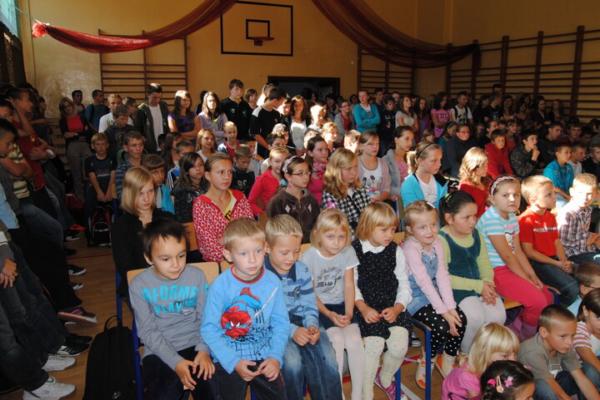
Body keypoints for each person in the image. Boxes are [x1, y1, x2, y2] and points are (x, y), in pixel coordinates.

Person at [200, 218, 290, 400]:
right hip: (230, 355)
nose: (252, 259)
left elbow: (281, 324)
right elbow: (209, 329)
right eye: (243, 253)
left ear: (265, 248)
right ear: (228, 254)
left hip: (265, 354)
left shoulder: (273, 282)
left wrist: (275, 357)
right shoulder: (220, 286)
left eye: (258, 251)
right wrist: (233, 362)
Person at [129, 219, 215, 399]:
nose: (176, 264)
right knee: (165, 392)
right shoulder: (139, 285)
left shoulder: (197, 276)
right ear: (149, 258)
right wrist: (176, 362)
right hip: (159, 350)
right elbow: (147, 331)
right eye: (166, 259)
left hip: (196, 345)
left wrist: (204, 349)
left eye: (181, 255)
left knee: (213, 391)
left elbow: (207, 318)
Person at [264, 215, 342, 400]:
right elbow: (266, 316)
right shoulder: (262, 276)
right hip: (275, 326)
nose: (291, 258)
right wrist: (292, 331)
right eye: (284, 253)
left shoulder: (302, 269)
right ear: (267, 247)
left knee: (328, 360)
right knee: (293, 364)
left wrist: (312, 324)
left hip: (304, 320)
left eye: (296, 251)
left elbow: (309, 302)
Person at [477, 176, 553, 340]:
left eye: (516, 195)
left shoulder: (511, 216)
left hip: (510, 267)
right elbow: (507, 256)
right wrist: (527, 279)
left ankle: (516, 326)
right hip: (495, 272)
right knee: (538, 301)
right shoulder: (491, 219)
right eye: (505, 195)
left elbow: (517, 251)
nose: (512, 199)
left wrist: (533, 276)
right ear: (492, 198)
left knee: (548, 297)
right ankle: (526, 338)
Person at [300, 209, 365, 400]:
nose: (336, 242)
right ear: (318, 235)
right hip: (319, 307)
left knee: (354, 340)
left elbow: (349, 284)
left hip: (342, 304)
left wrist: (349, 313)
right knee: (336, 340)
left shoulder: (348, 251)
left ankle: (358, 394)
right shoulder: (309, 257)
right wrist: (329, 314)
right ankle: (338, 394)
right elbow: (310, 294)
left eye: (341, 237)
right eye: (330, 237)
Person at [402, 201, 467, 387]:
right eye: (422, 227)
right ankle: (427, 359)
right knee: (440, 326)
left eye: (433, 224)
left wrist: (451, 308)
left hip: (433, 293)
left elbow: (442, 275)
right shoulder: (410, 248)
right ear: (410, 229)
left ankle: (447, 358)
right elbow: (423, 282)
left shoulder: (437, 243)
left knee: (460, 319)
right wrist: (444, 312)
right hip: (414, 297)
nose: (430, 231)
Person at [352, 203, 411, 400]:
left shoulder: (395, 251)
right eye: (384, 230)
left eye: (393, 229)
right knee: (374, 345)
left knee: (399, 347)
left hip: (391, 307)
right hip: (365, 308)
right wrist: (363, 308)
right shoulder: (355, 251)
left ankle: (385, 377)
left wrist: (398, 308)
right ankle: (366, 392)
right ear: (368, 227)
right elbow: (351, 286)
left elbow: (404, 284)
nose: (390, 234)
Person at [439, 191, 506, 353]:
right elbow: (443, 278)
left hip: (481, 286)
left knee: (498, 316)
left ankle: (488, 353)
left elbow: (484, 263)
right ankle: (468, 353)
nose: (473, 221)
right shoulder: (441, 240)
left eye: (475, 216)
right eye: (466, 217)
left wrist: (488, 284)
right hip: (456, 290)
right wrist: (479, 286)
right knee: (475, 317)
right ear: (449, 218)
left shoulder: (477, 235)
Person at [111, 167, 173, 297]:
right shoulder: (121, 226)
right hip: (138, 285)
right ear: (130, 194)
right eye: (140, 193)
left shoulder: (167, 219)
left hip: (170, 280)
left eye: (150, 191)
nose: (146, 198)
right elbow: (125, 267)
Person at [518, 305, 600, 399]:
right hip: (533, 393)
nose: (570, 342)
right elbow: (555, 390)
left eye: (572, 335)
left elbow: (580, 378)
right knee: (545, 387)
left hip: (555, 380)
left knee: (588, 369)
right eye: (563, 336)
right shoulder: (532, 353)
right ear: (544, 332)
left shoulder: (564, 345)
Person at [519, 175, 578, 307]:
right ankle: (554, 312)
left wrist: (563, 261)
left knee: (584, 276)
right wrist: (557, 264)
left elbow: (556, 242)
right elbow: (529, 252)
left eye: (554, 193)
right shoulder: (525, 220)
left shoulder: (550, 216)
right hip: (538, 263)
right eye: (548, 195)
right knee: (572, 288)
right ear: (533, 199)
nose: (554, 197)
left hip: (554, 260)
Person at [192, 153, 253, 262]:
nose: (227, 177)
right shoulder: (201, 205)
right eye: (221, 172)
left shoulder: (239, 198)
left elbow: (251, 232)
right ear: (208, 175)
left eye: (230, 172)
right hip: (217, 265)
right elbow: (209, 248)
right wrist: (237, 252)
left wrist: (223, 239)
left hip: (247, 259)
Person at [442, 323, 519, 400]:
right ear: (485, 353)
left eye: (515, 354)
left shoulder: (492, 367)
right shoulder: (469, 377)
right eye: (505, 356)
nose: (513, 360)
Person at [266, 157, 319, 243]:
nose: (306, 177)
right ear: (288, 176)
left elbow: (317, 226)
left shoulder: (311, 200)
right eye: (300, 173)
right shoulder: (277, 202)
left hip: (309, 246)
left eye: (307, 173)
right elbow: (274, 233)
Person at [322, 148, 370, 230]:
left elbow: (370, 215)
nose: (353, 172)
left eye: (355, 167)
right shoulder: (330, 195)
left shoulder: (360, 189)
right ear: (336, 170)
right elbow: (337, 226)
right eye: (348, 169)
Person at [557, 173, 600, 265]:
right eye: (580, 193)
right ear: (572, 192)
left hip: (587, 249)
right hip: (573, 255)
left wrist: (594, 237)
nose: (585, 198)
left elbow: (581, 233)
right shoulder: (568, 213)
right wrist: (589, 241)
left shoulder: (588, 209)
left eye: (589, 194)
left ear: (596, 194)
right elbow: (564, 243)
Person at [84, 133, 116, 244]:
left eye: (103, 144)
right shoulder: (89, 160)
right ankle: (90, 235)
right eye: (98, 144)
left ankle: (115, 234)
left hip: (110, 186)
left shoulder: (112, 158)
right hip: (95, 187)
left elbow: (113, 176)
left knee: (118, 206)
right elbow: (92, 177)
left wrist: (109, 191)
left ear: (107, 145)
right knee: (88, 207)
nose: (101, 147)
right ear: (93, 146)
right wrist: (99, 192)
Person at [400, 142, 447, 208]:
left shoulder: (441, 181)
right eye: (434, 160)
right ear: (420, 161)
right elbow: (413, 212)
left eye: (440, 160)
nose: (439, 164)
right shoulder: (408, 185)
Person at [248, 146, 288, 217]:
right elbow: (250, 202)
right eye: (277, 161)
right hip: (268, 217)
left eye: (284, 162)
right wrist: (262, 215)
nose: (281, 165)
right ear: (270, 162)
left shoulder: (289, 177)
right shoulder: (262, 179)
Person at [249, 86, 286, 158]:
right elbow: (255, 134)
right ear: (275, 100)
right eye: (281, 102)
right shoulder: (257, 112)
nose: (281, 104)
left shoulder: (277, 113)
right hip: (262, 151)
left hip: (275, 151)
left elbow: (278, 132)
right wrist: (268, 147)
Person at [383, 126, 414, 207]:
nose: (410, 143)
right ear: (396, 140)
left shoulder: (412, 157)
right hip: (395, 202)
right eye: (407, 139)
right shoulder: (386, 160)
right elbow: (384, 186)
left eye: (411, 140)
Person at [574, 289, 600, 381]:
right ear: (585, 310)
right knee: (590, 369)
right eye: (598, 317)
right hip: (563, 372)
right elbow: (584, 351)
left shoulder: (596, 328)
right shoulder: (578, 329)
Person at [172, 152, 206, 223]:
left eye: (200, 165)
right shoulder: (181, 190)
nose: (198, 169)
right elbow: (182, 218)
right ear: (186, 171)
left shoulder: (208, 183)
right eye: (193, 166)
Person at [135, 83, 169, 153]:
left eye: (159, 97)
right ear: (148, 94)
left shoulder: (163, 106)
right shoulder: (142, 109)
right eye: (154, 97)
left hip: (164, 145)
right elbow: (138, 129)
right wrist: (144, 139)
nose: (157, 100)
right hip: (149, 146)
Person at [358, 132, 391, 203]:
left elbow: (386, 189)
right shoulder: (355, 163)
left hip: (378, 205)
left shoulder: (383, 163)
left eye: (377, 144)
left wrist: (380, 198)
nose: (375, 147)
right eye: (370, 144)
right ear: (361, 146)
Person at [458, 147, 490, 218]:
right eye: (483, 165)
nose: (486, 168)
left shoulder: (486, 181)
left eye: (487, 164)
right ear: (473, 166)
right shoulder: (466, 187)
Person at [115, 131, 145, 199]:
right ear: (125, 148)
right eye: (134, 145)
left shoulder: (148, 164)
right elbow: (121, 195)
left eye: (141, 145)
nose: (138, 149)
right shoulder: (122, 169)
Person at [544, 141, 574, 206]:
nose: (569, 155)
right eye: (566, 152)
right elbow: (553, 188)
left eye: (570, 152)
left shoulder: (569, 167)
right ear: (557, 154)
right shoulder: (551, 169)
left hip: (567, 195)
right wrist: (567, 197)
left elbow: (571, 185)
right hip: (554, 195)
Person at [306, 135, 328, 205]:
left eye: (326, 149)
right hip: (314, 206)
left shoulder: (331, 166)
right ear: (310, 153)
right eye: (320, 150)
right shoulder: (306, 170)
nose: (324, 152)